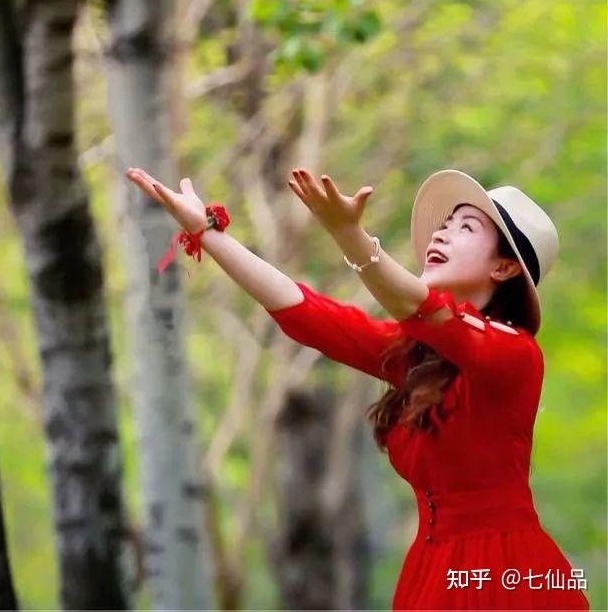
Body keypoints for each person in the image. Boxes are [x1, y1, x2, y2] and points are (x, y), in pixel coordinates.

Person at [124, 164, 591, 611]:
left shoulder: (515, 355)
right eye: (445, 224)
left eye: (466, 228)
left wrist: (349, 233)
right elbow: (306, 311)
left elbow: (417, 305)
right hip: (435, 572)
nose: (441, 234)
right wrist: (207, 233)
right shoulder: (417, 356)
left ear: (504, 269)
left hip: (506, 573)